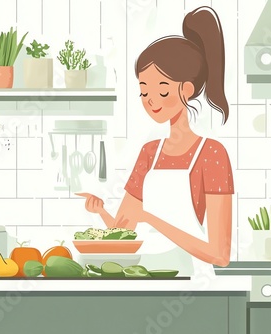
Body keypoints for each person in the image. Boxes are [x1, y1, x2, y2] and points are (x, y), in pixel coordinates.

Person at [78, 6, 233, 276]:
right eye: (143, 91)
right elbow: (125, 231)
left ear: (186, 89)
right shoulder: (150, 152)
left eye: (161, 90)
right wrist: (101, 212)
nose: (150, 100)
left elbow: (219, 254)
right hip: (141, 277)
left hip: (189, 284)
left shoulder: (212, 154)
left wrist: (151, 219)